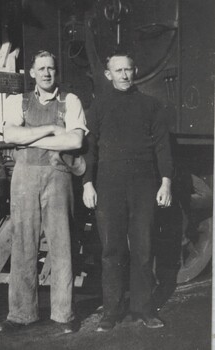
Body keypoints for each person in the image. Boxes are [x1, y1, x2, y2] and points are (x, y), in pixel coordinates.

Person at [0, 50, 88, 333]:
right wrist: (51, 129)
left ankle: (64, 315)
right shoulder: (17, 101)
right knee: (23, 244)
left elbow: (74, 140)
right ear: (32, 73)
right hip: (23, 180)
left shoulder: (70, 101)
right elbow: (10, 135)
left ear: (56, 72)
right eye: (41, 68)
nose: (47, 73)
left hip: (58, 178)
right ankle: (21, 314)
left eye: (51, 68)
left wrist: (30, 137)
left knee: (62, 246)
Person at [82, 50, 173, 331]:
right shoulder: (97, 108)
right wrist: (87, 183)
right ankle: (111, 311)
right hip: (108, 186)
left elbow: (162, 147)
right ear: (108, 75)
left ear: (135, 72)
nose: (124, 75)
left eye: (128, 70)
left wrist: (166, 182)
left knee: (143, 249)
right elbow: (90, 149)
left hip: (144, 184)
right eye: (118, 71)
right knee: (112, 250)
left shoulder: (152, 106)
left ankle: (144, 309)